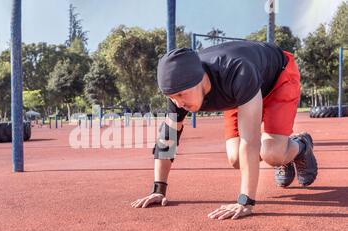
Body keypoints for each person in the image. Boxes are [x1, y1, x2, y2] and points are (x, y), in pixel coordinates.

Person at [131, 42, 318, 220]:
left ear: (201, 78)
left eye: (181, 95)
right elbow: (167, 140)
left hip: (278, 77)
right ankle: (283, 153)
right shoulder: (178, 90)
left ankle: (301, 145)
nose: (179, 103)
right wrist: (158, 189)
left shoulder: (238, 72)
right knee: (235, 158)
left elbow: (250, 140)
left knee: (271, 152)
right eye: (172, 97)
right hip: (238, 94)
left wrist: (245, 201)